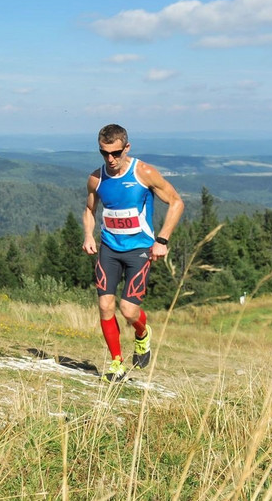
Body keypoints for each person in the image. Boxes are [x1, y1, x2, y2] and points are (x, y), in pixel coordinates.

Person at [81, 123, 185, 383]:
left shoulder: (144, 173)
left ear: (126, 147)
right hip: (109, 249)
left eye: (116, 153)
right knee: (105, 305)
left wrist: (162, 240)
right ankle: (116, 362)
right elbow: (89, 210)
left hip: (139, 250)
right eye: (105, 153)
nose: (111, 159)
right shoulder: (97, 178)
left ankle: (142, 334)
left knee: (128, 310)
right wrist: (88, 236)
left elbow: (176, 202)